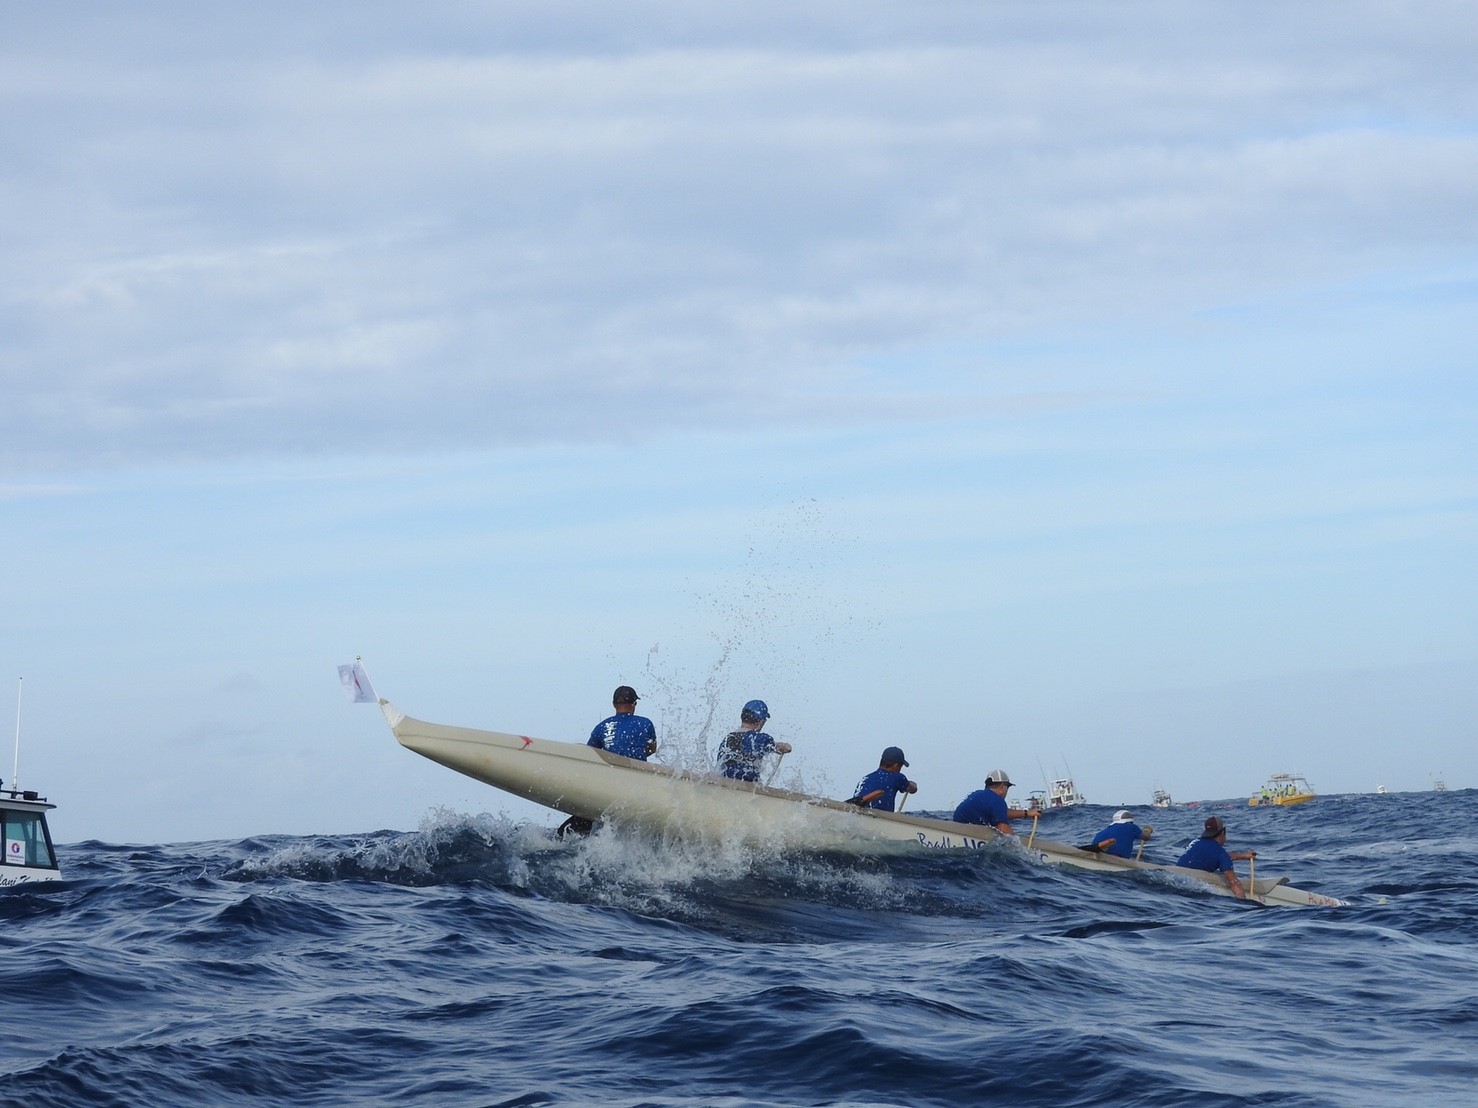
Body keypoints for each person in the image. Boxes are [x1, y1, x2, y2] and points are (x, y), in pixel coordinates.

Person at [1175, 815, 1256, 898]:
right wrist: (1244, 903)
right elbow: (1234, 883)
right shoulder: (1220, 853)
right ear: (1223, 832)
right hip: (1192, 888)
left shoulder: (1195, 842)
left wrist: (1243, 856)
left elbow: (1212, 856)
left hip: (1175, 877)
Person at [717, 699, 793, 782]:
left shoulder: (727, 739)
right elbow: (778, 747)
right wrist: (785, 747)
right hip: (744, 787)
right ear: (760, 722)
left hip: (723, 784)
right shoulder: (757, 738)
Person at [952, 770, 1036, 835]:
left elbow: (1002, 813)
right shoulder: (998, 801)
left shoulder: (977, 794)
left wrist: (1027, 813)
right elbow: (1004, 831)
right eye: (1007, 787)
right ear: (1002, 787)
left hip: (954, 828)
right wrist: (1023, 847)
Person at [587, 685, 658, 761]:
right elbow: (652, 749)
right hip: (637, 767)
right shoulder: (645, 723)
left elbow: (589, 753)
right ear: (634, 703)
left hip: (610, 767)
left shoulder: (601, 727)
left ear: (613, 704)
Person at [848, 746, 917, 811]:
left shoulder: (865, 779)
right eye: (901, 766)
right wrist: (912, 784)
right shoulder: (898, 777)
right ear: (896, 765)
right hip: (878, 816)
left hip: (855, 812)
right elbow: (913, 789)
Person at [1086, 809, 1153, 858]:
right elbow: (1146, 837)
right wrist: (1147, 829)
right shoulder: (1131, 827)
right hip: (1116, 859)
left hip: (1095, 854)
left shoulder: (1106, 830)